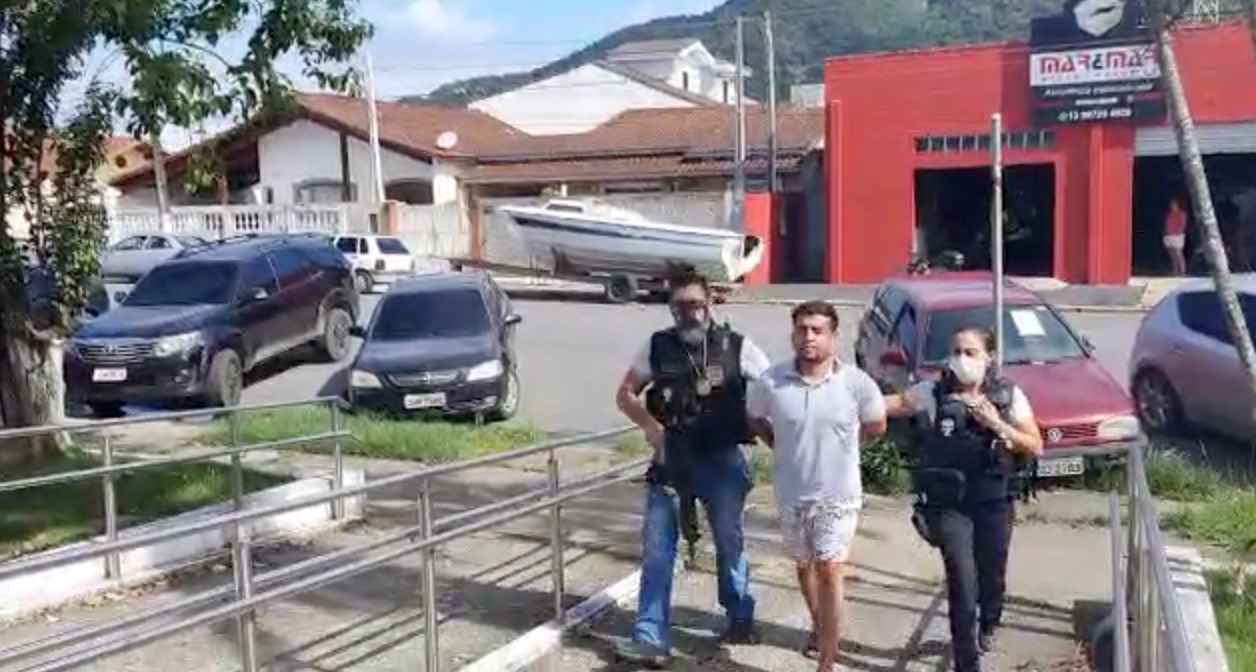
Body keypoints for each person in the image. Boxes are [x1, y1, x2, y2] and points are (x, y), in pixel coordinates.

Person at [613, 269, 770, 666]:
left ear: (710, 303)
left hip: (723, 459)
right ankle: (650, 637)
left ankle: (739, 614)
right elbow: (626, 393)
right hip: (672, 459)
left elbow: (772, 392)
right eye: (680, 306)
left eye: (695, 305)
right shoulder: (657, 346)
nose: (689, 314)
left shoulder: (739, 347)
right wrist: (650, 427)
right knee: (657, 549)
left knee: (729, 542)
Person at [884, 326, 1043, 672]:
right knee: (961, 581)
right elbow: (892, 405)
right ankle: (966, 663)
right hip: (950, 504)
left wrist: (997, 423)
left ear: (989, 358)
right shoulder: (933, 392)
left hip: (993, 501)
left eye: (970, 352)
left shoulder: (1006, 396)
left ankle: (990, 619)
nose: (961, 359)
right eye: (956, 351)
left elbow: (1034, 445)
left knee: (991, 576)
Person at [746, 300, 887, 672]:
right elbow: (756, 418)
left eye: (817, 330)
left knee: (829, 567)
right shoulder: (771, 381)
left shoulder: (856, 383)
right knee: (805, 564)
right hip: (791, 491)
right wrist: (779, 445)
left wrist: (847, 448)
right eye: (802, 330)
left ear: (833, 337)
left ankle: (826, 662)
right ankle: (821, 624)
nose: (808, 337)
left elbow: (876, 424)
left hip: (838, 496)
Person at [1164, 198, 1188, 276]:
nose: (1172, 206)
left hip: (1177, 235)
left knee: (1178, 253)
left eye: (1174, 205)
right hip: (1169, 235)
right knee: (1172, 255)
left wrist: (1178, 232)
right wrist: (1166, 233)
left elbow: (1182, 224)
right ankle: (1175, 270)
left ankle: (1182, 271)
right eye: (1171, 205)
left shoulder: (1181, 214)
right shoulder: (1169, 215)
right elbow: (1167, 225)